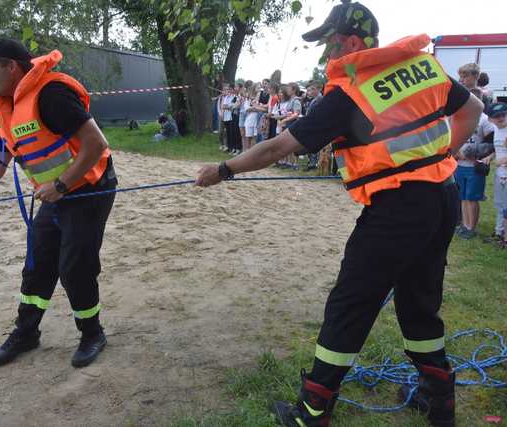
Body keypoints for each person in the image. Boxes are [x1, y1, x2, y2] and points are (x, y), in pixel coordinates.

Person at [195, 2, 483, 426]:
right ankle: (439, 400)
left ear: (351, 41)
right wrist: (442, 153)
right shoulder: (425, 68)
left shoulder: (349, 93)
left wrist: (223, 170)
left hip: (397, 208)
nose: (326, 56)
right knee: (420, 302)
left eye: (330, 45)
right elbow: (472, 110)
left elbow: (278, 147)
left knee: (350, 304)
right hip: (443, 197)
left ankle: (312, 411)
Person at [0, 38, 118, 369]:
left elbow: (96, 144)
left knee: (74, 266)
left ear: (11, 66)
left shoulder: (51, 94)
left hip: (89, 188)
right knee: (38, 263)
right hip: (57, 193)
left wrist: (60, 184)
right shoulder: (7, 106)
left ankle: (92, 334)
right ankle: (27, 333)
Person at [453, 87, 494, 239]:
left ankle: (472, 227)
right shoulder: (459, 116)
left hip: (474, 166)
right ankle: (465, 224)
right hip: (459, 165)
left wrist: (472, 152)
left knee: (472, 198)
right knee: (463, 197)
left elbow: (491, 144)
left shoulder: (485, 120)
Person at [482, 102, 507, 248]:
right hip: (500, 175)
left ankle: (504, 239)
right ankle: (499, 232)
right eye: (496, 116)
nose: (500, 118)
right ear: (490, 119)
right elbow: (499, 149)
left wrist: (501, 160)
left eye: (503, 115)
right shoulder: (497, 130)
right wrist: (490, 157)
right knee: (499, 205)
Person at [302, 81, 324, 170]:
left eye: (312, 89)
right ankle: (311, 162)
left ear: (319, 89)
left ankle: (313, 163)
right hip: (311, 124)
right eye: (308, 90)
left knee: (314, 145)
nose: (309, 92)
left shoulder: (320, 99)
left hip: (316, 125)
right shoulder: (314, 99)